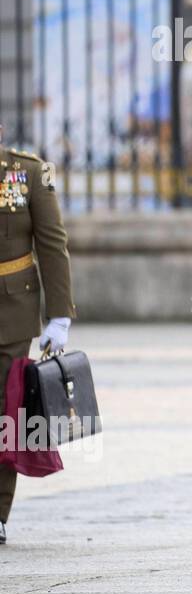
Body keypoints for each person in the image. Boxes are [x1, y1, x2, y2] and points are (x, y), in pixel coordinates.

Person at [0, 129, 76, 546]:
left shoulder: (31, 173)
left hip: (11, 311)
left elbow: (52, 245)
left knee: (4, 410)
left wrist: (59, 315)